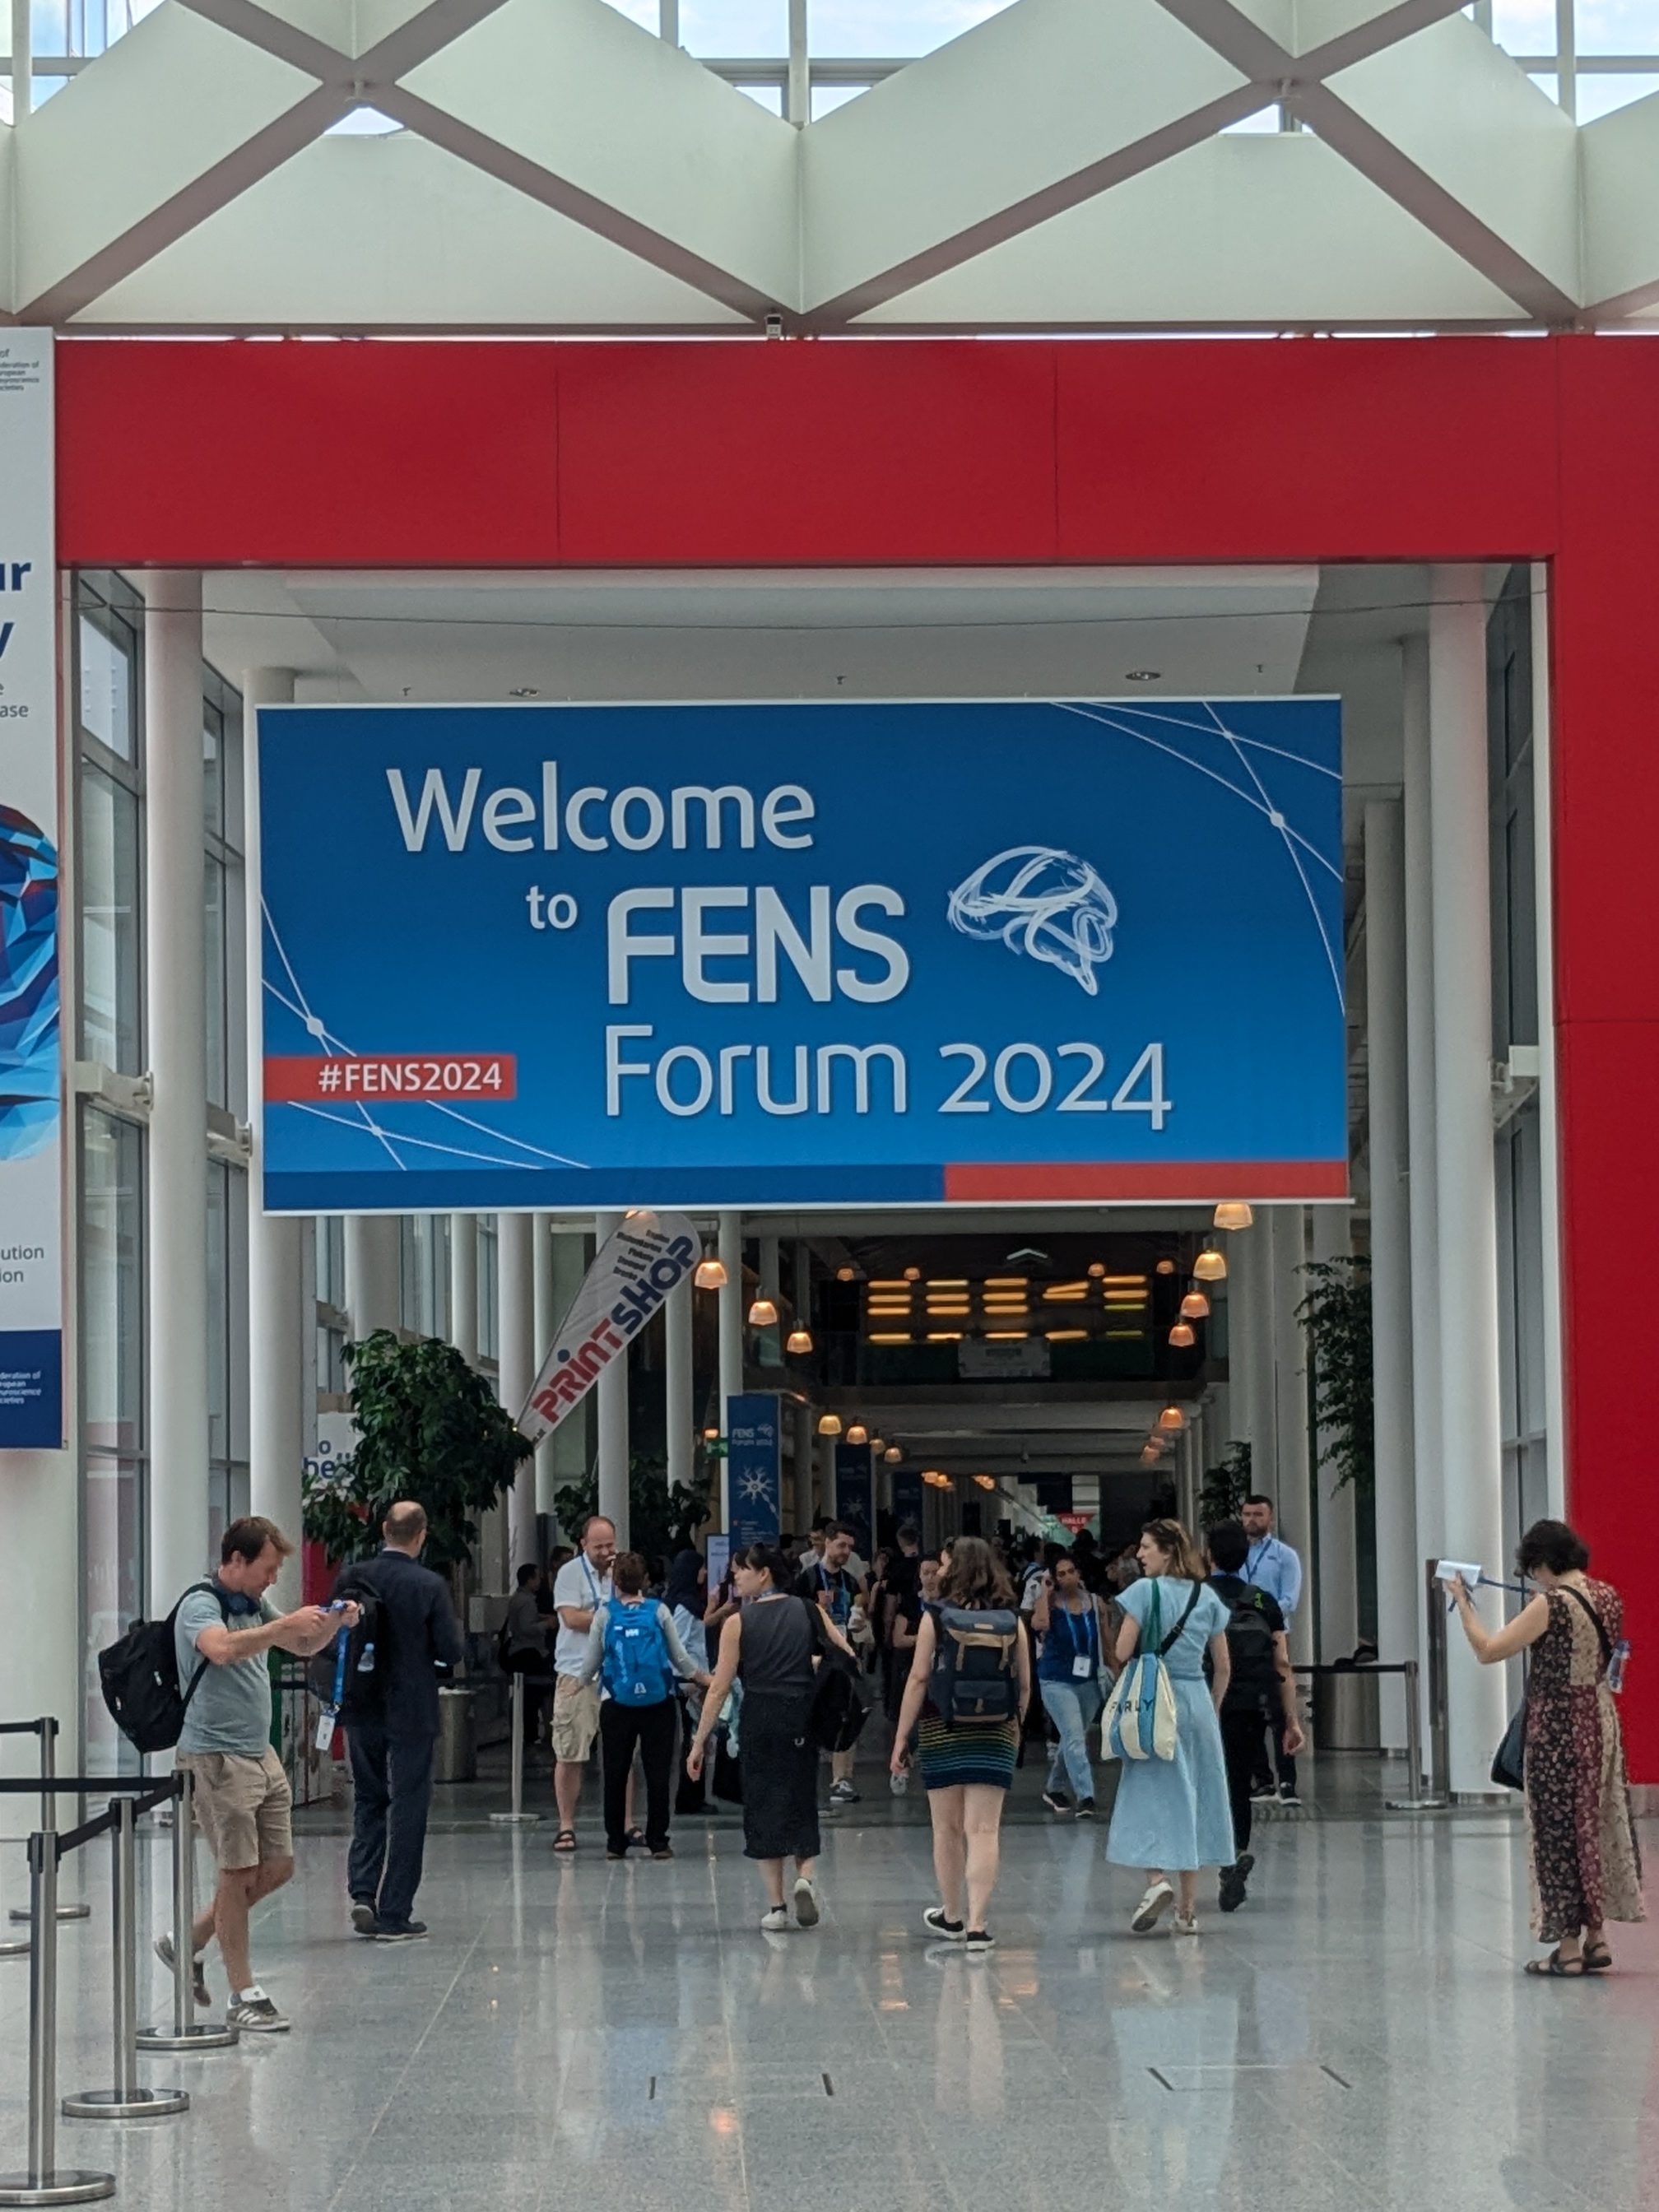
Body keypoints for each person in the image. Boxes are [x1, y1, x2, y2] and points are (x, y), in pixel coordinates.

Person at [159, 1516, 350, 2030]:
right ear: (237, 1561)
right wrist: (279, 1628)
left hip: (258, 1753)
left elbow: (298, 1646)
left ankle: (190, 1939)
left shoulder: (254, 1605)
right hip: (217, 1757)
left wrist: (330, 1622)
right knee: (237, 1871)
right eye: (267, 1569)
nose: (272, 1580)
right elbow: (221, 1650)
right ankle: (243, 1992)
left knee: (279, 1865)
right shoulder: (201, 1604)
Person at [1447, 1518, 1644, 1976]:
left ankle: (1569, 1949)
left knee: (1556, 1831)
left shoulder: (1550, 1604)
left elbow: (1489, 1649)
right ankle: (1598, 1937)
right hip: (1601, 1719)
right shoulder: (1607, 1596)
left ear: (1541, 1563)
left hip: (1558, 1728)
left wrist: (1463, 1602)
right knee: (1592, 1824)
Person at [688, 1543, 853, 1931]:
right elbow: (845, 1654)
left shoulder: (738, 1623)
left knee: (762, 1804)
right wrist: (812, 1664)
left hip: (759, 1716)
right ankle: (805, 1879)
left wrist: (699, 1742)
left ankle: (777, 1908)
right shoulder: (809, 1610)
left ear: (763, 1574)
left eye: (740, 1570)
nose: (735, 1577)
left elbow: (720, 1687)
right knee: (801, 1798)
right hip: (800, 1715)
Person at [890, 1535, 1029, 1954]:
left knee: (947, 1829)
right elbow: (1024, 1685)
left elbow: (918, 1679)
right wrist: (1015, 1726)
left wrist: (901, 1736)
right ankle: (978, 1925)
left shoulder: (936, 1617)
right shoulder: (1012, 1620)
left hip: (942, 1728)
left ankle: (951, 1915)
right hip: (996, 1731)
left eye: (947, 1564)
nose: (943, 1570)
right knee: (984, 1830)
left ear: (959, 1570)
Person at [342, 1500, 467, 1940]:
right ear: (422, 1534)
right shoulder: (429, 1584)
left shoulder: (354, 1577)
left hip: (361, 1703)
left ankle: (362, 1892)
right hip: (412, 1707)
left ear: (383, 1529)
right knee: (409, 1805)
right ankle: (394, 1911)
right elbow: (450, 1650)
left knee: (369, 1798)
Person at [1105, 1519, 1235, 1938]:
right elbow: (1224, 1666)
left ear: (1166, 1551)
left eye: (1145, 1548)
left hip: (1154, 1704)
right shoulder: (1207, 1596)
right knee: (1193, 1799)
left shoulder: (1145, 1592)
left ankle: (1155, 1883)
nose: (1140, 1555)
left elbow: (1123, 1651)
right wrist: (1210, 1710)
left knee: (1149, 1795)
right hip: (1196, 1702)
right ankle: (1188, 1910)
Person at [569, 1551, 710, 1860]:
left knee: (615, 1773)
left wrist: (578, 1684)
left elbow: (592, 1661)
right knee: (658, 1772)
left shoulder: (605, 1615)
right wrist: (703, 1678)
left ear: (615, 1581)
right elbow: (679, 1658)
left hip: (616, 1704)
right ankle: (658, 1840)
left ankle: (615, 1843)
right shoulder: (659, 1611)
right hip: (658, 1703)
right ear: (645, 1580)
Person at [1206, 1519, 1304, 1912]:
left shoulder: (1197, 1597)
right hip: (1250, 1702)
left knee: (1205, 1784)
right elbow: (1282, 1662)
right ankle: (1236, 1853)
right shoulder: (1264, 1601)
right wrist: (1291, 1719)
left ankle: (1209, 1858)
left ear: (1208, 1555)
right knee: (1239, 1784)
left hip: (1204, 1701)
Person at [551, 1515, 618, 1853]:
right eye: (599, 1547)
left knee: (623, 1753)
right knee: (570, 1750)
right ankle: (566, 1825)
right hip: (578, 1673)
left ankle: (626, 1823)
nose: (606, 1552)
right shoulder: (570, 1574)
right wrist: (610, 1616)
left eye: (610, 1545)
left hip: (618, 1673)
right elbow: (572, 1618)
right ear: (583, 1545)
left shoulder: (621, 1572)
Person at [1030, 1552, 1112, 1818]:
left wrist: (1117, 1669)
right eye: (1060, 1574)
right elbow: (1039, 1624)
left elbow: (1106, 1638)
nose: (1066, 1578)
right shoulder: (1051, 1604)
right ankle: (1086, 1796)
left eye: (1070, 1572)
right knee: (1075, 1737)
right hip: (1056, 1680)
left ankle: (1054, 1787)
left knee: (1073, 1736)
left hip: (1088, 1679)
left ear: (1079, 1573)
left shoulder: (1096, 1603)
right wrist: (1044, 1591)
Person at [1240, 1493, 1304, 1805]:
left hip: (1274, 1635)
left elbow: (1290, 1599)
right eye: (1247, 1514)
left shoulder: (1285, 1556)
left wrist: (1263, 1614)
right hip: (1241, 1639)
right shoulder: (1236, 1555)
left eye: (1258, 1515)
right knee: (1247, 1709)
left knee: (1280, 1710)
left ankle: (1288, 1781)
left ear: (1270, 1518)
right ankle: (1261, 1780)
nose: (1252, 1520)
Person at [797, 1522, 867, 1805]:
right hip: (815, 1655)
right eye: (841, 1545)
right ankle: (807, 1776)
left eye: (850, 1547)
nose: (846, 1552)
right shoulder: (807, 1578)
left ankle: (842, 1778)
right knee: (813, 1715)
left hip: (844, 1652)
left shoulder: (851, 1581)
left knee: (846, 1713)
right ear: (827, 1543)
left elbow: (860, 1615)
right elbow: (796, 1613)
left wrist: (860, 1626)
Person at [502, 1563, 551, 1750]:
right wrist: (546, 1625)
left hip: (521, 1650)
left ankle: (528, 1732)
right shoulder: (526, 1601)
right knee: (532, 1696)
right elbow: (526, 1627)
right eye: (537, 1577)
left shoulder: (519, 1599)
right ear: (530, 1579)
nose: (539, 1581)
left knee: (528, 1695)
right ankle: (530, 1732)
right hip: (528, 1652)